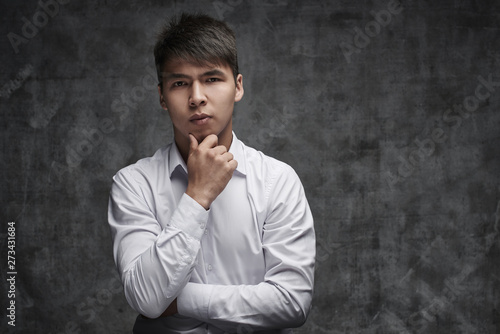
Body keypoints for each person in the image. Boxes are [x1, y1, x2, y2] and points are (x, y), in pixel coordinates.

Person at [108, 13, 315, 334]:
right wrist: (198, 195)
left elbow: (292, 301)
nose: (196, 97)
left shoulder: (277, 180)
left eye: (212, 78)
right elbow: (146, 299)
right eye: (179, 83)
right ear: (162, 96)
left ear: (238, 87)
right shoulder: (134, 183)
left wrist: (179, 301)